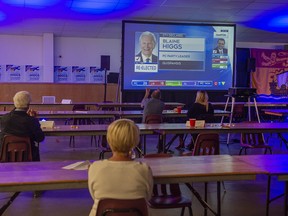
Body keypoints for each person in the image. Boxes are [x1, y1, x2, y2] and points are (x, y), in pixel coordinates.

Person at [88, 119, 153, 216]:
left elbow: (94, 196)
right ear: (135, 142)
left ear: (109, 140)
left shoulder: (94, 168)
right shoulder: (144, 169)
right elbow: (147, 197)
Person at [0, 91, 45, 161]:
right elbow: (40, 138)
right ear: (28, 104)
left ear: (14, 103)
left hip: (6, 157)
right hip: (28, 157)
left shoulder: (4, 119)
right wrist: (34, 119)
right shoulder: (32, 121)